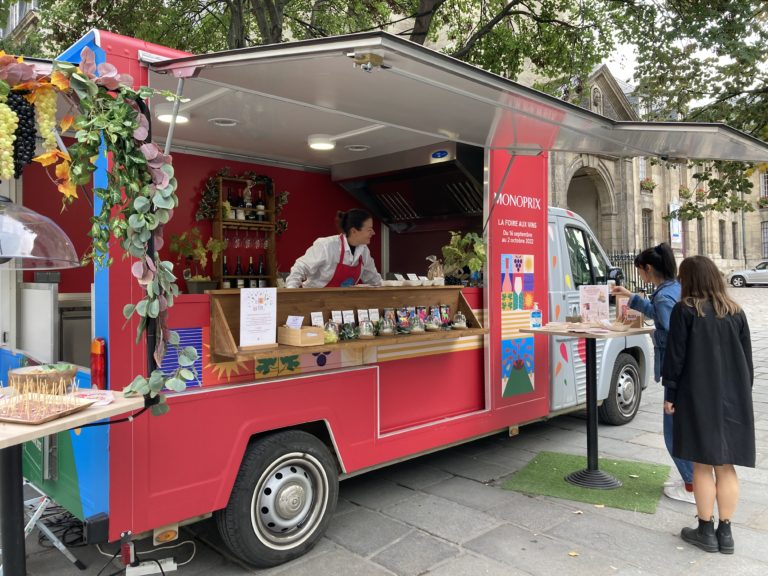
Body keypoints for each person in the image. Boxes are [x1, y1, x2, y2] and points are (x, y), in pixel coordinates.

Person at [662, 255, 754, 554]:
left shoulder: (685, 310)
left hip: (696, 395)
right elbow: (747, 362)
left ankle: (705, 529)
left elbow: (674, 359)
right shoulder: (736, 312)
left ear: (689, 279)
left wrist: (670, 395)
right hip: (734, 397)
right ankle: (725, 533)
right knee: (726, 465)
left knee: (702, 463)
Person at [612, 243, 694, 503]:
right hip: (684, 374)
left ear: (648, 269)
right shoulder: (672, 289)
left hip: (677, 373)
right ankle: (690, 479)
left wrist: (657, 334)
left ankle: (691, 485)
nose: (641, 276)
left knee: (673, 432)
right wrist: (631, 296)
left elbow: (675, 336)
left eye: (641, 271)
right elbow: (658, 314)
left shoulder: (664, 296)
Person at [286, 208, 383, 288]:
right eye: (369, 230)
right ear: (353, 231)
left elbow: (374, 280)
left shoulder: (364, 251)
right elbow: (300, 267)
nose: (373, 233)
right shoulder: (326, 245)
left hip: (341, 304)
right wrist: (291, 293)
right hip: (313, 301)